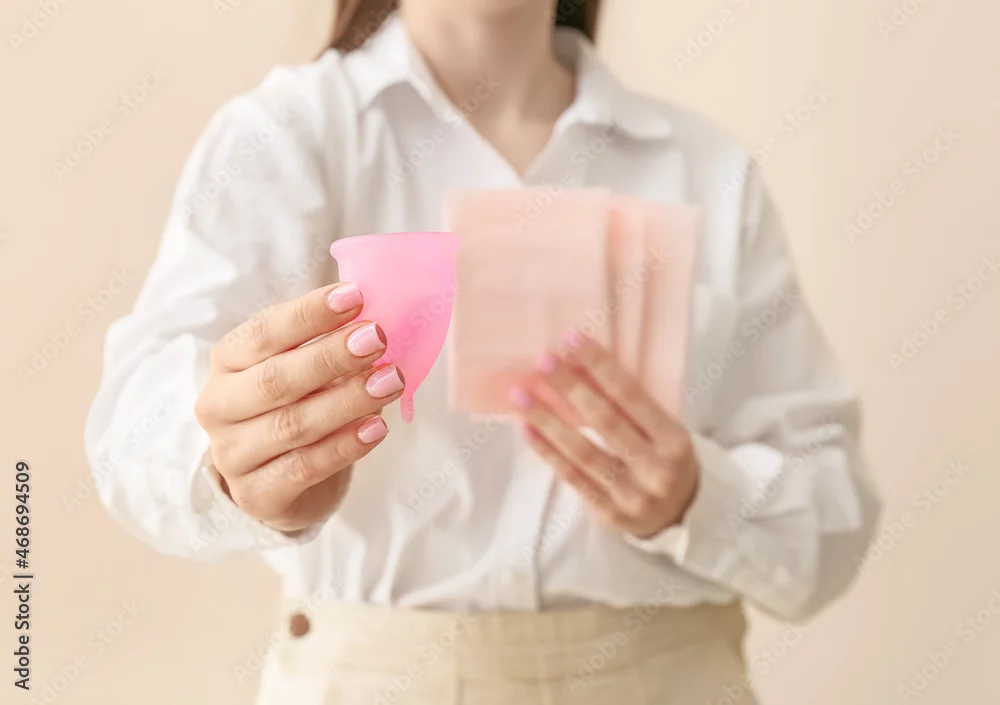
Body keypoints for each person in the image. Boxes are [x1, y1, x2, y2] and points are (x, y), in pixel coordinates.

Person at [85, 0, 881, 702]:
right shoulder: (285, 137)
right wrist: (236, 466)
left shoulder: (709, 171)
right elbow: (132, 432)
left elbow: (834, 526)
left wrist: (699, 497)